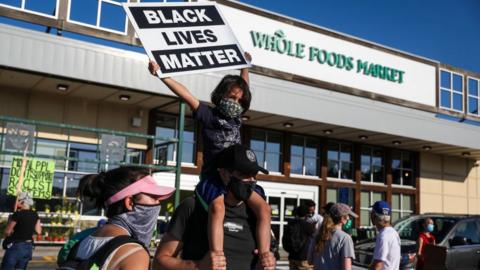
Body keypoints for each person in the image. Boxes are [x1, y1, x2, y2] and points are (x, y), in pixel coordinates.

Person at [149, 53, 271, 262]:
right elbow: (186, 95)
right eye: (232, 97)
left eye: (240, 100)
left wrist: (245, 67)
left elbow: (245, 87)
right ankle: (216, 253)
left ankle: (266, 253)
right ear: (221, 95)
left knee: (264, 208)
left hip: (236, 177)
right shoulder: (208, 115)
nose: (236, 102)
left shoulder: (237, 119)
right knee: (218, 207)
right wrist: (162, 75)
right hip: (214, 178)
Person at [154, 144, 275, 270]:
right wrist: (197, 266)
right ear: (224, 173)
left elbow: (266, 257)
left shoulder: (255, 212)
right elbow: (158, 263)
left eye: (254, 175)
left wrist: (269, 262)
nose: (251, 180)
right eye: (243, 174)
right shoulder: (192, 207)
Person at [67, 166, 175, 270]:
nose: (158, 203)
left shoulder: (80, 243)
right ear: (130, 202)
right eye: (154, 197)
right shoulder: (134, 254)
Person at [308, 203, 357, 270]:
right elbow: (346, 268)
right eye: (348, 216)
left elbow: (310, 261)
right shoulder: (345, 238)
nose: (349, 218)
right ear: (342, 218)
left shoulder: (318, 236)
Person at [1, 192, 41, 270]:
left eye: (18, 200)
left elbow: (7, 232)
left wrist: (10, 220)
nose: (17, 202)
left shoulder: (17, 214)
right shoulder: (35, 214)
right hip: (28, 247)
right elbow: (38, 231)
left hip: (16, 246)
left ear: (22, 202)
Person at [369, 201, 401, 270]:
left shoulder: (383, 235)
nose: (370, 215)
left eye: (371, 212)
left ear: (374, 215)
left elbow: (377, 266)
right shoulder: (394, 232)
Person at [283, 204, 315, 270]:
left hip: (292, 256)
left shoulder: (290, 224)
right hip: (304, 257)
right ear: (306, 214)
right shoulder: (308, 225)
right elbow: (314, 239)